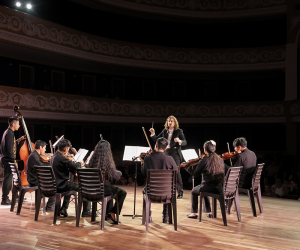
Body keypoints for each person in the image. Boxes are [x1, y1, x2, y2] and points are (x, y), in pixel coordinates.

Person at [88, 140, 127, 224]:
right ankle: (112, 212)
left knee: (110, 189)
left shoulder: (91, 162)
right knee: (122, 192)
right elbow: (116, 177)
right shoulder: (108, 163)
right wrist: (119, 173)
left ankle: (107, 214)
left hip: (91, 191)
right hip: (103, 191)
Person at [50, 139, 91, 217]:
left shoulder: (54, 156)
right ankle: (86, 211)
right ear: (66, 149)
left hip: (56, 184)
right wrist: (79, 162)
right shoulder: (61, 158)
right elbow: (75, 166)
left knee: (71, 185)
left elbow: (67, 167)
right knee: (85, 187)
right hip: (62, 185)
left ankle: (64, 208)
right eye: (68, 149)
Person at [141, 137, 178, 223]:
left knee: (145, 190)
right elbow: (176, 174)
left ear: (156, 145)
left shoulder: (148, 158)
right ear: (166, 148)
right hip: (167, 193)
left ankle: (148, 217)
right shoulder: (170, 159)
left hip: (152, 192)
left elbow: (143, 173)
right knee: (166, 188)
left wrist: (142, 162)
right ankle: (166, 216)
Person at [150, 115, 187, 199]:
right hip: (166, 153)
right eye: (168, 121)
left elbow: (185, 142)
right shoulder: (164, 131)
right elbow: (157, 139)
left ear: (174, 122)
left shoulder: (179, 131)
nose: (169, 122)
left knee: (176, 173)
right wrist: (153, 134)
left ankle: (180, 192)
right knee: (164, 172)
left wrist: (180, 141)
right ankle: (165, 190)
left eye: (171, 121)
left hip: (175, 154)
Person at [187, 140, 225, 219]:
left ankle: (194, 213)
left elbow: (195, 174)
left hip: (208, 187)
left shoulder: (204, 160)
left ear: (205, 149)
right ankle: (208, 212)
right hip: (219, 188)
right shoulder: (220, 160)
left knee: (194, 191)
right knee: (203, 187)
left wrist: (187, 167)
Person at [0, 117, 24, 205]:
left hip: (6, 158)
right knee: (8, 178)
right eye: (18, 124)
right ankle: (4, 198)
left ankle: (15, 196)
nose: (19, 125)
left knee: (11, 178)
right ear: (13, 124)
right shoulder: (9, 133)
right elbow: (10, 150)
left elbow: (10, 145)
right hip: (8, 159)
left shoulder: (8, 132)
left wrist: (18, 141)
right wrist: (14, 162)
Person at [27, 140, 55, 211]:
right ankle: (50, 206)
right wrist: (52, 163)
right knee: (55, 186)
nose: (45, 150)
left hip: (36, 179)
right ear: (40, 147)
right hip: (34, 180)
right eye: (44, 148)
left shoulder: (36, 155)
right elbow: (42, 166)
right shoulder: (34, 156)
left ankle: (45, 198)